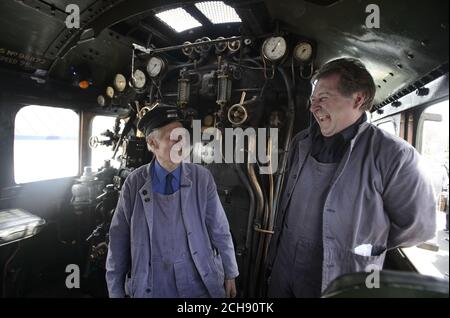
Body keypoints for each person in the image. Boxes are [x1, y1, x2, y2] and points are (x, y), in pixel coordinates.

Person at [266, 58, 436, 297]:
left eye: (323, 98)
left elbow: (419, 229)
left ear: (358, 99)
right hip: (284, 268)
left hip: (339, 278)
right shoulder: (300, 142)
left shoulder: (395, 155)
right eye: (313, 100)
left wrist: (363, 240)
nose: (313, 108)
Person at [106, 104, 239, 298]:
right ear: (152, 144)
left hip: (197, 280)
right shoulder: (134, 184)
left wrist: (230, 273)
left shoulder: (202, 178)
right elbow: (118, 241)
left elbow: (220, 228)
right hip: (153, 283)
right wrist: (115, 291)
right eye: (173, 138)